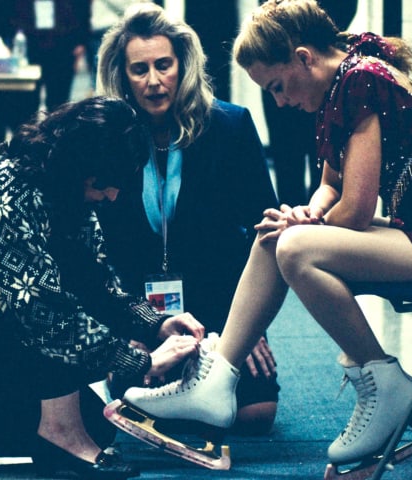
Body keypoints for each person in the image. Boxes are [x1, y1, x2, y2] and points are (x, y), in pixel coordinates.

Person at [112, 0, 412, 467]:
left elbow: (357, 211)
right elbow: (330, 185)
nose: (280, 102)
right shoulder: (342, 78)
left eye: (278, 87)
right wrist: (306, 213)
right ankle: (216, 381)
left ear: (303, 58)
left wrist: (302, 227)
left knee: (296, 246)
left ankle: (386, 385)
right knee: (274, 237)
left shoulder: (360, 81)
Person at [0, 96, 207, 479]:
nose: (113, 195)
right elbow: (45, 316)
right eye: (107, 182)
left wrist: (156, 324)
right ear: (81, 164)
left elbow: (98, 286)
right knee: (52, 330)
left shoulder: (64, 189)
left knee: (96, 427)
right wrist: (142, 363)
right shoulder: (6, 197)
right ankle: (43, 426)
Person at [95, 2, 281, 435]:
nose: (153, 81)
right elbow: (97, 250)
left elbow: (266, 233)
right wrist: (125, 330)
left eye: (164, 65)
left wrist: (249, 327)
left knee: (255, 416)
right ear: (122, 75)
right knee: (134, 398)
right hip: (142, 313)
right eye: (139, 69)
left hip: (223, 309)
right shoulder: (106, 138)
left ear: (183, 65)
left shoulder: (230, 126)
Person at [261, 0, 358, 206]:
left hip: (316, 66)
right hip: (283, 66)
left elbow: (346, 7)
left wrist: (311, 38)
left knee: (323, 163)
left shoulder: (354, 80)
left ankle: (317, 218)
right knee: (287, 162)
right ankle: (293, 216)